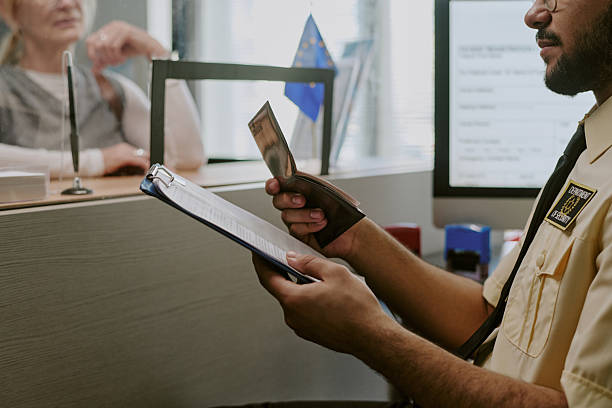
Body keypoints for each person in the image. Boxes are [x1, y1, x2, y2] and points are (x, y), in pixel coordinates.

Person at [241, 0, 612, 406]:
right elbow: (489, 318)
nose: (534, 15)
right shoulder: (593, 146)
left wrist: (372, 336)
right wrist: (353, 236)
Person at [0, 0, 205, 178]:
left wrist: (158, 53)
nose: (67, 3)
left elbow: (187, 159)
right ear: (9, 10)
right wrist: (97, 162)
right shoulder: (5, 88)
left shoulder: (114, 90)